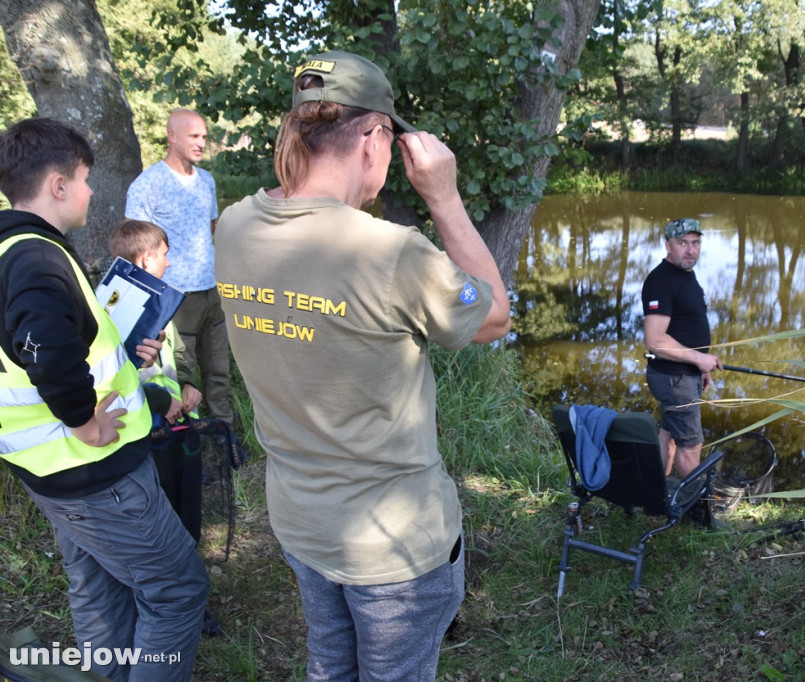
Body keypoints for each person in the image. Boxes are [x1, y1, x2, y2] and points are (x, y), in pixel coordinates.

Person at [215, 50, 511, 681]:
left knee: (331, 667)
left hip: (299, 520)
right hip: (395, 545)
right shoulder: (392, 252)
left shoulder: (234, 226)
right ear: (375, 138)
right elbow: (495, 316)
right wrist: (446, 198)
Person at [0, 117, 208, 681]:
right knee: (177, 592)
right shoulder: (36, 257)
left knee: (96, 588)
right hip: (99, 474)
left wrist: (125, 361)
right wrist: (84, 420)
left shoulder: (8, 248)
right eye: (86, 179)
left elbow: (44, 345)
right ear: (58, 185)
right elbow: (45, 345)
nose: (92, 192)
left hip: (49, 473)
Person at [108, 218, 224, 638]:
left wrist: (189, 386)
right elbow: (117, 378)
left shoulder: (162, 302)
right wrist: (163, 401)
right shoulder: (118, 308)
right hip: (147, 440)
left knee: (188, 512)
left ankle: (197, 604)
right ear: (144, 258)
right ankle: (167, 608)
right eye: (163, 254)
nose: (170, 261)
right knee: (162, 528)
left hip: (180, 433)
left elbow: (177, 353)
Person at [125, 108, 233, 427]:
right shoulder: (148, 185)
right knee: (182, 376)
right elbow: (134, 245)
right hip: (173, 297)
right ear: (172, 136)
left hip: (212, 290)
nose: (201, 143)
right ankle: (188, 441)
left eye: (203, 137)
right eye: (194, 136)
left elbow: (211, 229)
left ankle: (224, 437)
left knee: (218, 370)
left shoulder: (207, 181)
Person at [642, 217, 723, 480]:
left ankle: (661, 493)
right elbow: (654, 340)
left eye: (695, 243)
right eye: (682, 243)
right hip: (674, 378)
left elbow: (685, 325)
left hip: (683, 373)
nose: (690, 250)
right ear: (668, 245)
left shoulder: (685, 273)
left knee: (670, 435)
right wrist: (698, 358)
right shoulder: (661, 281)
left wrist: (699, 367)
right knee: (691, 445)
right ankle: (692, 512)